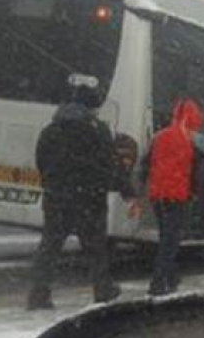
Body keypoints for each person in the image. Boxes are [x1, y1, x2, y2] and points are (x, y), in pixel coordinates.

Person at [28, 77, 139, 310]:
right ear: (92, 106)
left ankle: (39, 294)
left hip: (56, 197)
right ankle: (103, 290)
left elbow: (41, 160)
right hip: (89, 198)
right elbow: (111, 164)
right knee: (95, 248)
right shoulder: (97, 130)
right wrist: (128, 192)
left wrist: (53, 184)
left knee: (50, 246)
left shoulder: (51, 130)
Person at [142, 98, 204, 296]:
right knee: (171, 240)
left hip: (157, 194)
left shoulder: (159, 136)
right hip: (178, 194)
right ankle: (158, 282)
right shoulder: (195, 138)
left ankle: (171, 276)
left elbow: (145, 163)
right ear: (194, 117)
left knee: (165, 236)